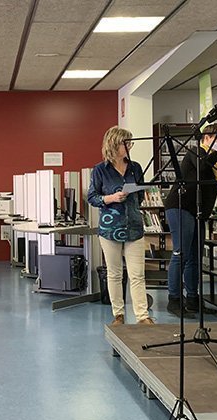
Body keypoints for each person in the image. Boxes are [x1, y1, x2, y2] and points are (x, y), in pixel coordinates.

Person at [164, 123, 217, 318]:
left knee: (195, 256)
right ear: (206, 138)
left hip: (199, 212)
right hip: (181, 206)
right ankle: (174, 299)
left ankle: (192, 299)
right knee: (181, 253)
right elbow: (202, 166)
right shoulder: (195, 152)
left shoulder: (216, 163)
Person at [87, 126, 153, 326]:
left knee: (137, 274)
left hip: (134, 226)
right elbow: (92, 197)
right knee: (114, 274)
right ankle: (119, 315)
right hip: (110, 229)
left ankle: (143, 316)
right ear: (115, 144)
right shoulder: (100, 170)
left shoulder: (136, 168)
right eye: (127, 143)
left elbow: (140, 195)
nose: (130, 147)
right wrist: (111, 198)